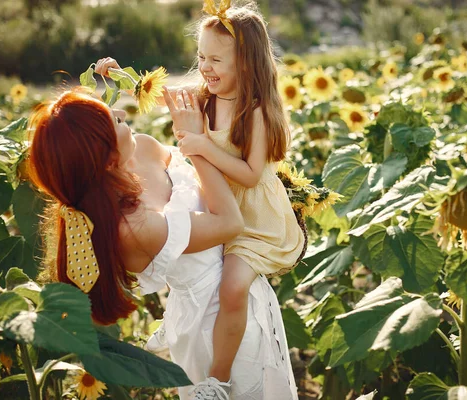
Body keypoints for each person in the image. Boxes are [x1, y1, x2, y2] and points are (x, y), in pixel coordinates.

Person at [27, 89, 298, 400]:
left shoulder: (140, 148)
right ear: (108, 159)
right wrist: (194, 142)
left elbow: (208, 179)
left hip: (245, 288)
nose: (124, 115)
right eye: (114, 120)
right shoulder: (134, 227)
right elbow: (229, 223)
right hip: (211, 322)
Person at [96, 2, 305, 397]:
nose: (204, 67)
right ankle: (180, 320)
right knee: (191, 259)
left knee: (231, 289)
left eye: (215, 59)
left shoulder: (255, 111)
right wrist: (120, 75)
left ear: (245, 63)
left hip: (252, 219)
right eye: (200, 57)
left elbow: (251, 174)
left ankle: (218, 380)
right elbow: (157, 95)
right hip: (217, 199)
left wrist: (202, 147)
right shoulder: (204, 95)